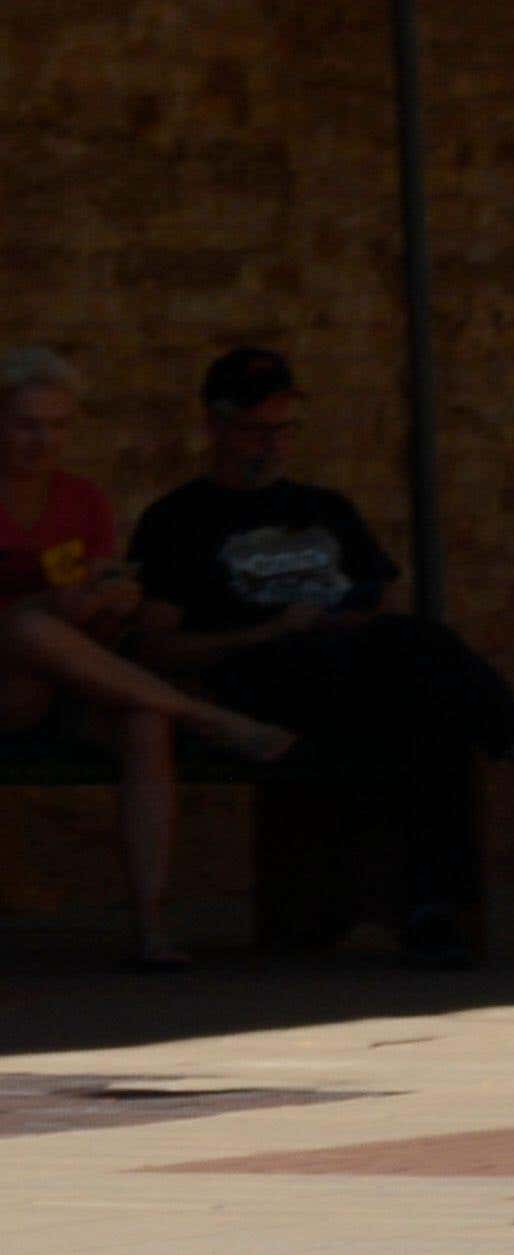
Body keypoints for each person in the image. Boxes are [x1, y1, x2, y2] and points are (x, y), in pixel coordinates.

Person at [128, 344, 514, 966]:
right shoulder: (180, 519)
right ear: (214, 427)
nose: (271, 445)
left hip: (354, 660)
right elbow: (157, 647)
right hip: (262, 676)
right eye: (255, 431)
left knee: (429, 699)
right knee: (420, 656)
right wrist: (267, 631)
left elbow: (383, 597)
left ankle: (431, 913)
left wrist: (348, 615)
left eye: (284, 430)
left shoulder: (325, 508)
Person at [5, 343, 302, 967]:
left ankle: (151, 925)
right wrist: (51, 607)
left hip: (68, 675)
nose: (43, 441)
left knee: (145, 719)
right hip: (8, 683)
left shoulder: (79, 499)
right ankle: (212, 719)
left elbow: (98, 608)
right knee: (27, 628)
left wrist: (111, 600)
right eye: (26, 424)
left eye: (57, 425)